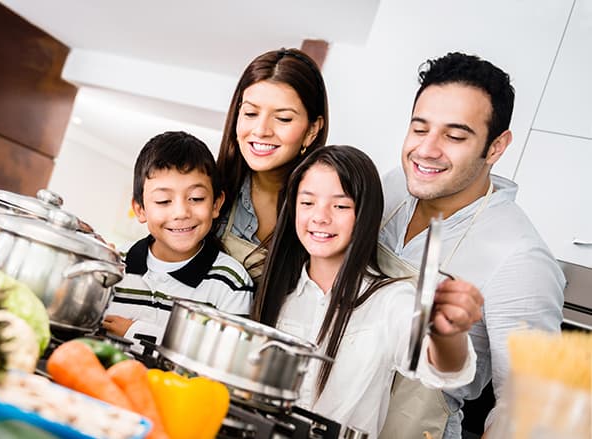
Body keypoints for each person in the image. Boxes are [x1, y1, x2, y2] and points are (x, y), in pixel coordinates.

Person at [378, 52, 566, 439]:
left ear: (496, 147)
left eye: (455, 136)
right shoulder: (393, 186)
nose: (427, 150)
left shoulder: (521, 257)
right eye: (419, 128)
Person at [251, 145, 481, 437]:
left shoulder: (391, 300)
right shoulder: (275, 290)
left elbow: (443, 370)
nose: (320, 217)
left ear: (365, 215)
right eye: (307, 202)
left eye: (340, 206)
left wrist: (448, 334)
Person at [102, 131, 254, 347]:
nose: (181, 212)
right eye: (163, 201)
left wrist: (137, 332)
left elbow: (225, 359)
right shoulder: (115, 265)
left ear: (216, 204)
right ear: (140, 209)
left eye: (196, 198)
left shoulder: (231, 282)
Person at [216, 48, 328, 285]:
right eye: (250, 113)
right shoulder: (210, 192)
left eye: (283, 118)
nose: (261, 130)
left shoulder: (323, 215)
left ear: (312, 131)